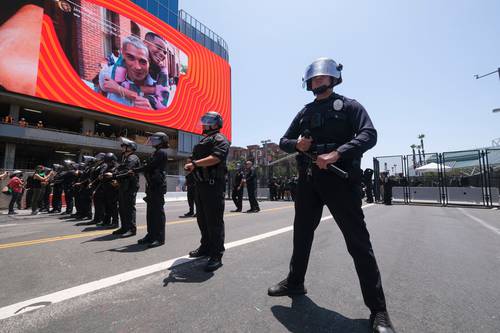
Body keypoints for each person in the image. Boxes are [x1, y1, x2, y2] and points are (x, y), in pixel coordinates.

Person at [267, 58, 396, 333]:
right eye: (313, 79)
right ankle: (295, 281)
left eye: (322, 78)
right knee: (301, 234)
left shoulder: (350, 106)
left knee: (358, 243)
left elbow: (369, 134)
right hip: (309, 181)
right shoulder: (304, 112)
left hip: (340, 181)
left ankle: (379, 311)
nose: (317, 82)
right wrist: (297, 144)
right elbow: (283, 141)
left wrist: (337, 153)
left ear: (334, 78)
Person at [185, 111, 230, 272]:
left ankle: (216, 255)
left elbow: (217, 157)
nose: (204, 124)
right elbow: (194, 159)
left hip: (213, 185)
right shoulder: (204, 140)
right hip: (200, 184)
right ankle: (205, 247)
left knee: (214, 222)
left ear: (216, 123)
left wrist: (195, 163)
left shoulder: (220, 139)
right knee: (202, 219)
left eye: (207, 121)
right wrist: (191, 162)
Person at [99, 36, 155, 110]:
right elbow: (105, 85)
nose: (137, 67)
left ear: (149, 62)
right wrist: (126, 92)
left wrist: (151, 111)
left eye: (142, 61)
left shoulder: (156, 82)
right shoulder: (108, 74)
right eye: (131, 58)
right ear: (123, 55)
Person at [136, 132, 169, 247]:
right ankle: (150, 235)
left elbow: (150, 166)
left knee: (157, 212)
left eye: (156, 139)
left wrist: (136, 170)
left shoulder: (161, 153)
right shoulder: (155, 153)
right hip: (151, 185)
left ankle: (159, 238)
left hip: (157, 186)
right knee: (150, 212)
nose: (153, 141)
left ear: (162, 140)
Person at [112, 138, 141, 237]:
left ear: (130, 148)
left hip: (130, 186)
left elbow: (127, 170)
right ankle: (124, 227)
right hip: (123, 186)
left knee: (129, 208)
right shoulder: (125, 158)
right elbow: (119, 169)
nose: (122, 148)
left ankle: (131, 229)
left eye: (124, 146)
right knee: (122, 208)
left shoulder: (132, 158)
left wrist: (115, 175)